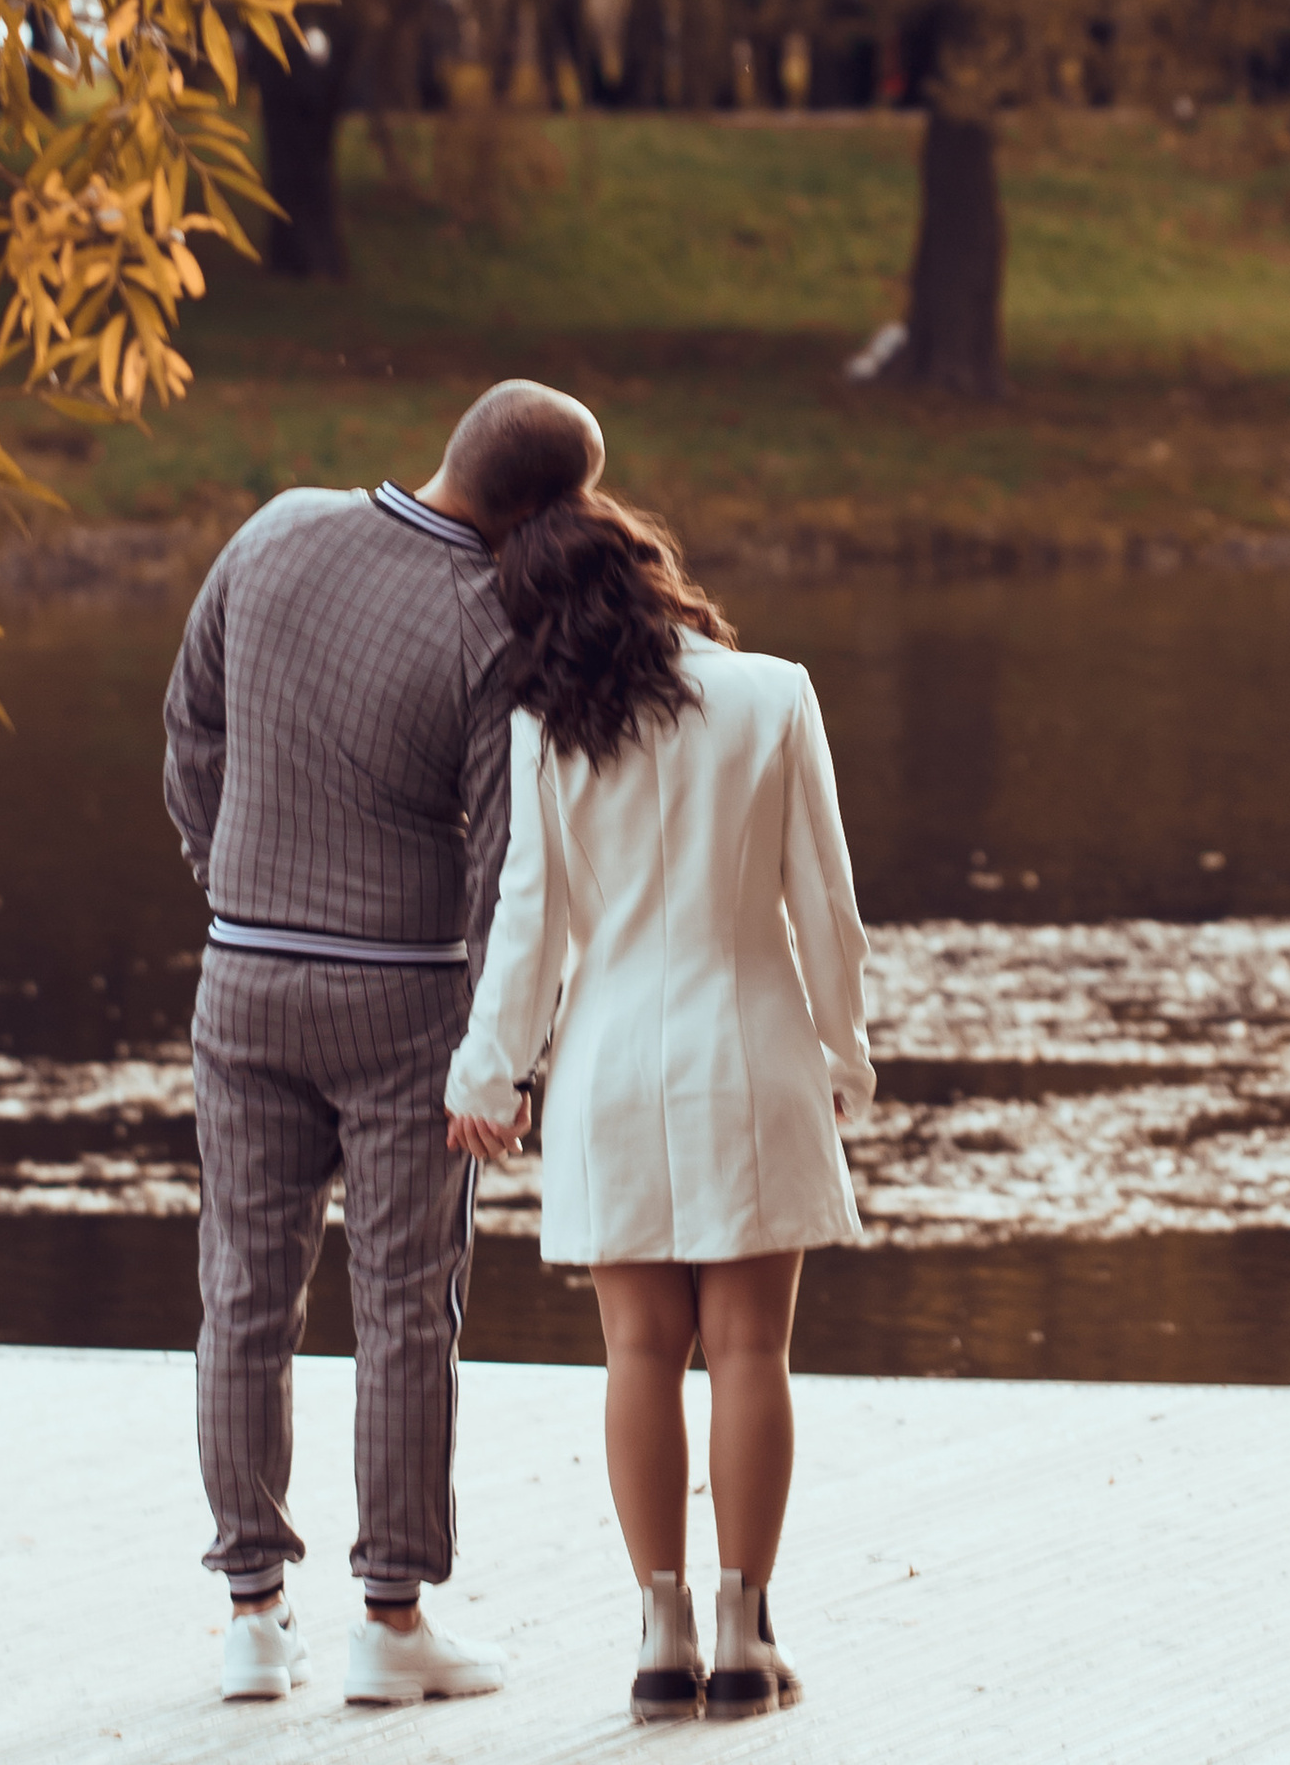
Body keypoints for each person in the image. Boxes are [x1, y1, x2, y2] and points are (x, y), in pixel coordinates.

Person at [161, 379, 598, 1709]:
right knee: (405, 1305)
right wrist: (501, 1053)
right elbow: (502, 866)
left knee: (242, 1290)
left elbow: (190, 734)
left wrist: (235, 881)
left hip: (242, 977)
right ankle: (393, 1620)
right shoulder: (492, 624)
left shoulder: (276, 528)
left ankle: (250, 1615)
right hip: (403, 1005)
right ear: (533, 510)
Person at [445, 452, 873, 1725]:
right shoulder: (773, 694)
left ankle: (658, 1631)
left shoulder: (545, 730)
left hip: (611, 1061)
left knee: (639, 1349)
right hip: (752, 1048)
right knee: (751, 1347)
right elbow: (826, 910)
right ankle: (744, 1637)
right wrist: (845, 1053)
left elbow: (528, 927)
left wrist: (488, 1073)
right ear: (651, 575)